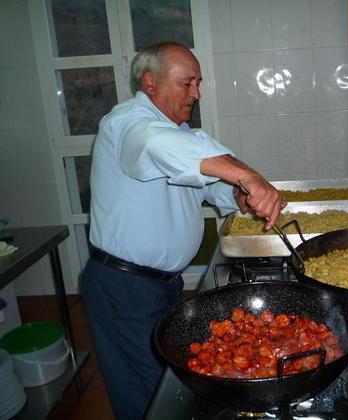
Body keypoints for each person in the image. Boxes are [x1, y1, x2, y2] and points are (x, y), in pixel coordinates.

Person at [81, 41, 285, 420]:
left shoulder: (179, 131)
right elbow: (159, 145)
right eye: (187, 83)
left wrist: (237, 197)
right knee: (147, 388)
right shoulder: (126, 124)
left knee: (161, 379)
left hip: (160, 283)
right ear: (150, 83)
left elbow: (205, 181)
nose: (197, 93)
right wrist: (247, 176)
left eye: (198, 82)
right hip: (125, 286)